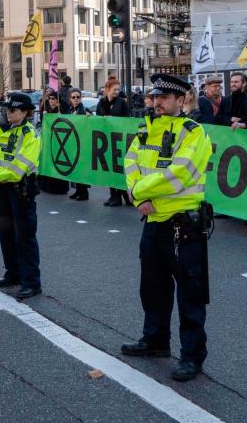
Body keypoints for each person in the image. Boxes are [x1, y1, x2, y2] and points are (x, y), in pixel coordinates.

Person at [121, 74, 214, 382]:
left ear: (180, 100)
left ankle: (192, 356)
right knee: (153, 288)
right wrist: (137, 198)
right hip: (152, 222)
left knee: (190, 294)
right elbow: (131, 163)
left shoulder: (193, 132)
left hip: (181, 226)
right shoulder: (145, 130)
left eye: (164, 98)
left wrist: (140, 193)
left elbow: (180, 175)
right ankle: (155, 340)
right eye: (155, 97)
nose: (157, 102)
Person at [0, 92, 42, 300]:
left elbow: (20, 166)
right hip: (3, 188)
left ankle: (31, 282)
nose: (8, 113)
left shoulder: (30, 134)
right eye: (7, 110)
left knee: (24, 236)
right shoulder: (6, 131)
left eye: (13, 110)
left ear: (25, 112)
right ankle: (13, 272)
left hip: (21, 189)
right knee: (7, 233)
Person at [97, 78, 129, 206]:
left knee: (118, 168)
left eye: (118, 90)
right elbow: (98, 119)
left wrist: (113, 119)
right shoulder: (102, 102)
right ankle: (113, 195)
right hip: (106, 139)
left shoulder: (121, 103)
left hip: (118, 138)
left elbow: (127, 120)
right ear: (107, 90)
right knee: (109, 168)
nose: (116, 92)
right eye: (114, 89)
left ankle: (121, 195)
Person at [38, 90, 69, 194]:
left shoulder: (62, 109)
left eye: (53, 99)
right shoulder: (46, 108)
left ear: (57, 100)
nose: (51, 100)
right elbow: (43, 123)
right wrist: (44, 115)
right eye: (49, 98)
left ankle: (58, 188)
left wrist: (61, 115)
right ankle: (46, 185)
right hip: (48, 139)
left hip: (58, 141)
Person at [67, 88, 92, 201]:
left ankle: (84, 192)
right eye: (74, 97)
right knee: (75, 168)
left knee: (81, 168)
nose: (76, 99)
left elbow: (91, 122)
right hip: (73, 143)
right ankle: (77, 190)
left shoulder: (84, 110)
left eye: (78, 97)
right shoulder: (70, 110)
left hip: (82, 143)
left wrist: (89, 116)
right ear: (70, 99)